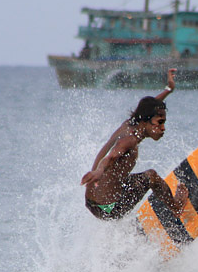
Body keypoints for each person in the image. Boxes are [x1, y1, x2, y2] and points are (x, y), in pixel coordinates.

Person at [81, 68, 188, 220]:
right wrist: (99, 172)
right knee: (151, 176)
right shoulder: (129, 139)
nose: (163, 128)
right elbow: (110, 157)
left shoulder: (132, 124)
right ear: (146, 121)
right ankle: (176, 208)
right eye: (160, 122)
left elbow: (149, 108)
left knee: (127, 178)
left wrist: (168, 89)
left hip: (92, 202)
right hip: (108, 209)